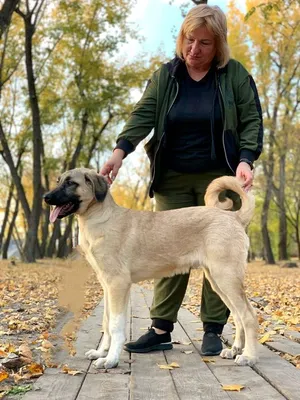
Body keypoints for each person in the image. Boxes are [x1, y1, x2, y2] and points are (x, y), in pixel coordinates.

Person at [100, 4, 263, 356]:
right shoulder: (166, 76)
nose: (194, 50)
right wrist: (119, 151)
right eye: (189, 40)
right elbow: (142, 114)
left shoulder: (234, 75)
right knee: (166, 251)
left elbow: (251, 119)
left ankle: (213, 330)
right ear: (181, 38)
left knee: (216, 256)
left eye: (204, 43)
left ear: (218, 45)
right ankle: (161, 328)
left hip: (220, 172)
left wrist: (246, 160)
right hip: (172, 177)